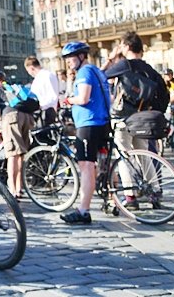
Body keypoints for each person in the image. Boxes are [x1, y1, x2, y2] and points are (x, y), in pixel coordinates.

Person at [102, 31, 168, 210]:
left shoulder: (124, 65)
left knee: (123, 154)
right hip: (143, 119)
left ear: (127, 46)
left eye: (121, 45)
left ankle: (130, 197)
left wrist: (110, 58)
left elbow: (100, 76)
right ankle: (154, 191)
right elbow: (163, 95)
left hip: (123, 118)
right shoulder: (149, 69)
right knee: (143, 154)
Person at [59, 41, 110, 225]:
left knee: (86, 167)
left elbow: (83, 98)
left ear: (81, 57)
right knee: (99, 164)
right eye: (66, 59)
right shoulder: (96, 70)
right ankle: (110, 200)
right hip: (101, 122)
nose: (68, 62)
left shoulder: (84, 72)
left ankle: (83, 210)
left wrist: (69, 101)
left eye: (71, 58)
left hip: (88, 124)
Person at [25, 57, 60, 126]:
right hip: (43, 111)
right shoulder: (42, 77)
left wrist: (41, 106)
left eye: (28, 71)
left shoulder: (46, 76)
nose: (29, 73)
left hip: (46, 111)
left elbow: (52, 95)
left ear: (32, 68)